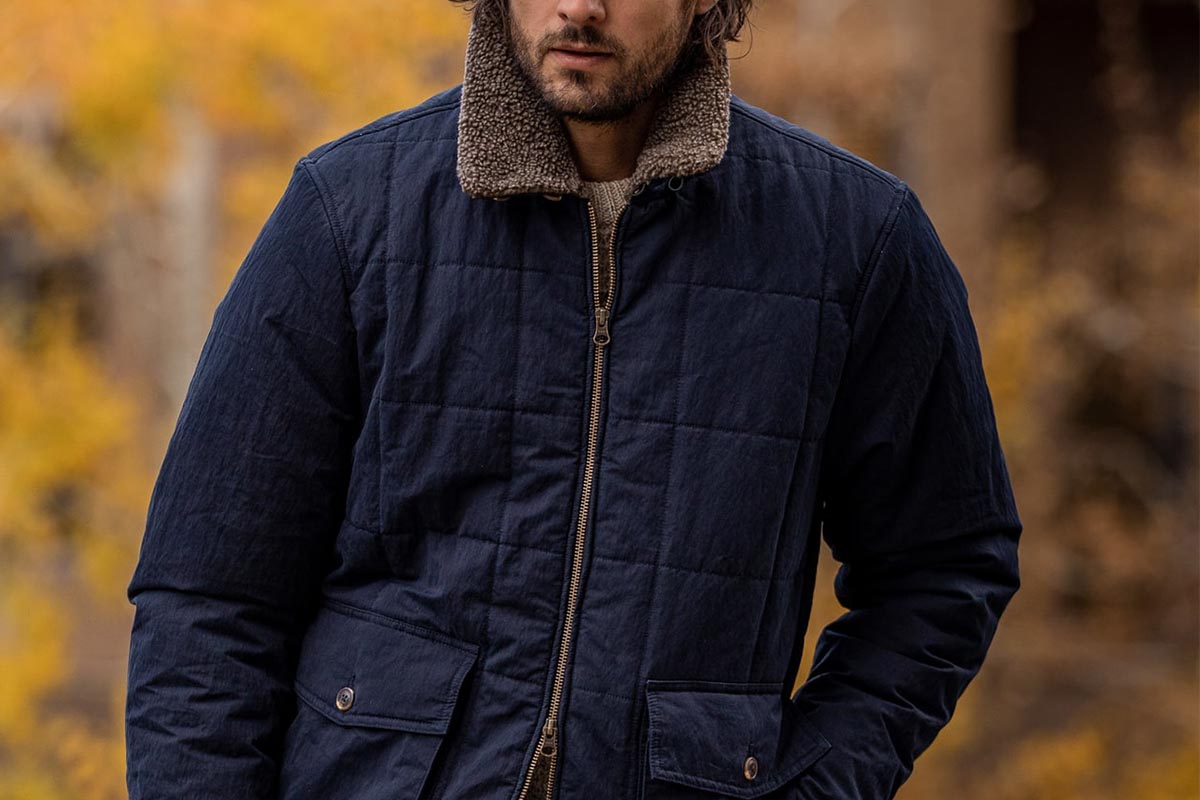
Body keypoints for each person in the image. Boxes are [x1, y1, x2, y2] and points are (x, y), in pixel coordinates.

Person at [123, 1, 1024, 798]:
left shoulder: (855, 241)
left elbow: (945, 567)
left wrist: (819, 782)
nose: (580, 8)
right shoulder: (351, 211)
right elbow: (208, 599)